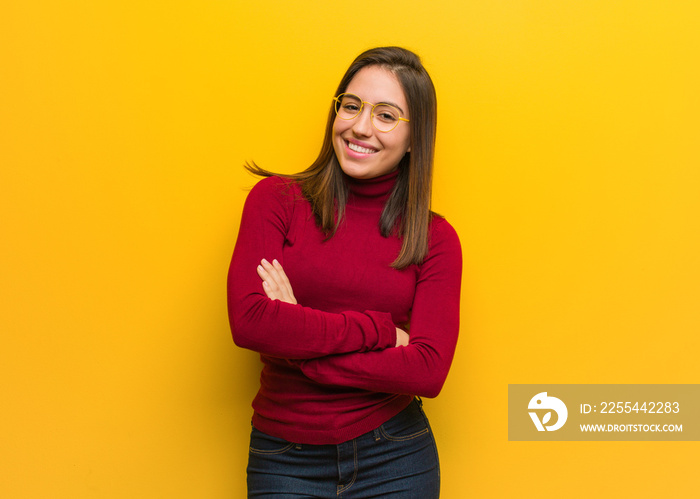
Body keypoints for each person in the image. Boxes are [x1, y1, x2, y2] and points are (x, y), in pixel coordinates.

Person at [227, 46, 462, 498]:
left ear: (416, 139)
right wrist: (379, 330)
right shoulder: (276, 201)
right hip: (284, 457)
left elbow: (427, 371)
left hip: (395, 457)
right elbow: (251, 321)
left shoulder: (434, 239)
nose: (359, 126)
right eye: (351, 106)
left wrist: (299, 343)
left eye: (386, 115)